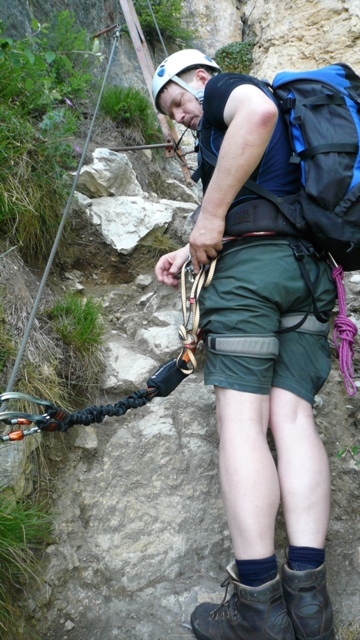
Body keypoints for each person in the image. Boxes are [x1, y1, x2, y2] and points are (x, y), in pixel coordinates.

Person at [152, 49, 336, 640]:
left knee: (241, 422)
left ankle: (258, 604)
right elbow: (266, 196)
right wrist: (191, 247)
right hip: (305, 274)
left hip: (251, 278)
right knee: (294, 418)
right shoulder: (280, 120)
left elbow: (253, 113)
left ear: (200, 76)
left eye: (179, 99)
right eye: (170, 111)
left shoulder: (232, 90)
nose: (180, 114)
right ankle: (310, 606)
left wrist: (206, 220)